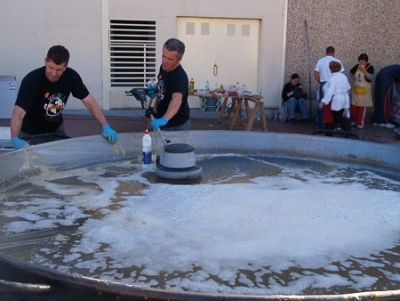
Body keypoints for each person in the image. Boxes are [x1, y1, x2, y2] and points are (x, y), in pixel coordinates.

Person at [10, 45, 117, 149]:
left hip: (56, 131)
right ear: (45, 61)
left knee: (61, 164)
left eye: (59, 69)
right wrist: (14, 138)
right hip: (30, 134)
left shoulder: (71, 77)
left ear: (65, 66)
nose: (53, 73)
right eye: (51, 68)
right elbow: (18, 113)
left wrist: (105, 126)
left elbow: (89, 102)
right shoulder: (32, 81)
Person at [147, 38, 190, 131]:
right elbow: (162, 83)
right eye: (163, 56)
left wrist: (164, 119)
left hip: (176, 125)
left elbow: (177, 99)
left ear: (179, 60)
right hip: (162, 118)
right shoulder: (164, 68)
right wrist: (155, 88)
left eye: (170, 59)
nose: (165, 61)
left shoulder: (179, 76)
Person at [314, 46, 345, 129]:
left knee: (322, 104)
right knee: (334, 106)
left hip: (324, 84)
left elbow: (316, 75)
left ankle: (320, 125)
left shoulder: (320, 61)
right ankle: (333, 125)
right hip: (335, 85)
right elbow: (341, 75)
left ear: (326, 52)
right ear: (333, 53)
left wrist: (321, 82)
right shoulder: (337, 61)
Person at [318, 61, 351, 132]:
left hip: (336, 99)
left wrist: (323, 101)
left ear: (330, 69)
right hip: (344, 98)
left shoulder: (333, 78)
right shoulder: (343, 76)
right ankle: (347, 131)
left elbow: (330, 91)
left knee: (331, 117)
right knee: (339, 116)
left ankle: (330, 133)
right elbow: (348, 88)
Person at [349, 53, 374, 129]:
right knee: (354, 106)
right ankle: (354, 120)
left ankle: (360, 123)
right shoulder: (357, 66)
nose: (361, 63)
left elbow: (371, 78)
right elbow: (351, 72)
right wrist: (354, 79)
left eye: (363, 62)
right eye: (360, 62)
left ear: (366, 62)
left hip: (364, 91)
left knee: (362, 108)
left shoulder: (370, 67)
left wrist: (364, 70)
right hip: (356, 90)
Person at [373, 64, 400, 129]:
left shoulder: (397, 68)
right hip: (386, 77)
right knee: (385, 100)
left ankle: (377, 121)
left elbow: (397, 84)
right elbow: (398, 85)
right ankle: (384, 122)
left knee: (378, 98)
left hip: (380, 75)